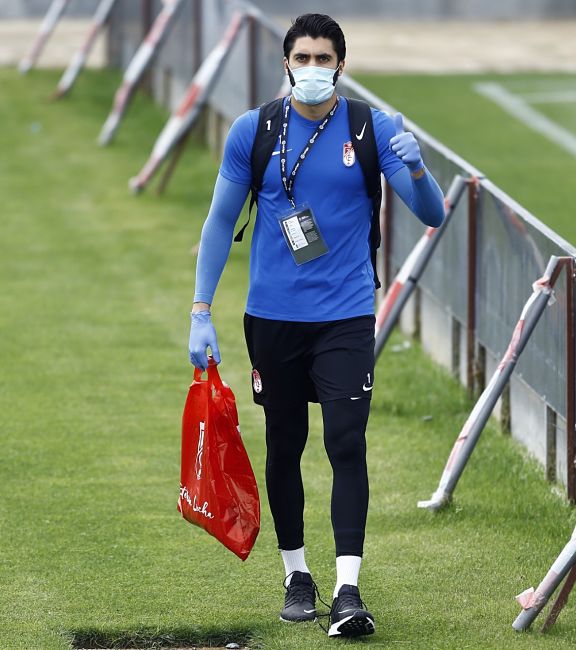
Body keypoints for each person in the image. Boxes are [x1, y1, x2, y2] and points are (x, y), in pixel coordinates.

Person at [189, 13, 445, 638]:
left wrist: (416, 168)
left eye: (323, 58)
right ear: (286, 63)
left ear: (340, 66)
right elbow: (220, 222)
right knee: (285, 444)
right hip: (273, 318)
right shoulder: (253, 131)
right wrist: (200, 310)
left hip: (346, 317)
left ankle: (348, 591)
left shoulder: (370, 127)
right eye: (301, 57)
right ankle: (296, 576)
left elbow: (432, 213)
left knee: (346, 442)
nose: (311, 68)